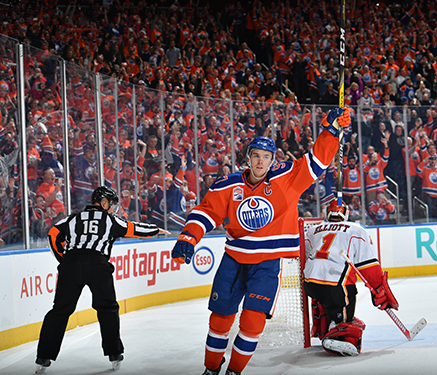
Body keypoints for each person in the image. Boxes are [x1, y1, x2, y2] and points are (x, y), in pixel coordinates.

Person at [171, 108, 352, 375]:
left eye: (266, 157)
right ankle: (211, 369)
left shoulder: (287, 178)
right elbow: (207, 212)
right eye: (256, 156)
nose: (260, 162)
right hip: (233, 261)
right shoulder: (227, 185)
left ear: (272, 160)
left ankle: (234, 371)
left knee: (252, 322)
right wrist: (189, 236)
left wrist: (331, 129)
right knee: (220, 321)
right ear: (248, 158)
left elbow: (317, 160)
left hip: (267, 264)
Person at [35, 186, 170, 373]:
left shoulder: (73, 218)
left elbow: (53, 234)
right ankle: (114, 353)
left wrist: (64, 260)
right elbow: (134, 228)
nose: (113, 209)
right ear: (104, 203)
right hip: (98, 264)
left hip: (71, 263)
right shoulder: (111, 220)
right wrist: (156, 230)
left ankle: (43, 357)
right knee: (107, 308)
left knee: (60, 310)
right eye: (112, 205)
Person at [302, 200, 398, 356]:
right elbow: (368, 266)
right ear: (346, 213)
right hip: (336, 287)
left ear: (327, 213)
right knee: (346, 302)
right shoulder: (357, 230)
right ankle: (337, 332)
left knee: (325, 298)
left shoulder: (312, 230)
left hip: (309, 285)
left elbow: (305, 256)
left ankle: (325, 328)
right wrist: (378, 289)